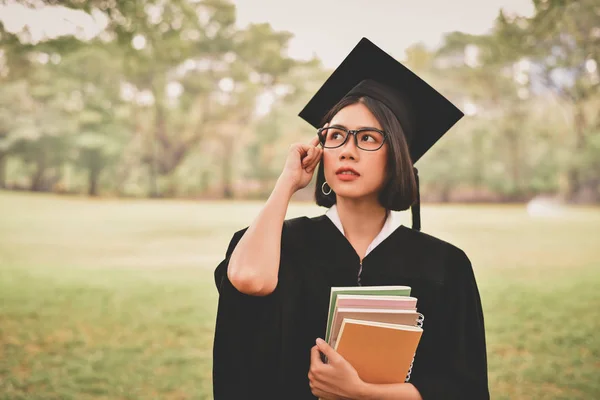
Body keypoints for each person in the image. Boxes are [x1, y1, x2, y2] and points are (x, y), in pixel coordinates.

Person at [212, 37, 489, 400]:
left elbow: (462, 388)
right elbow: (248, 279)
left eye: (368, 138)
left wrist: (360, 392)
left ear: (398, 157)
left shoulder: (444, 265)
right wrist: (287, 183)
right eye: (336, 135)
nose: (347, 151)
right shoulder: (280, 244)